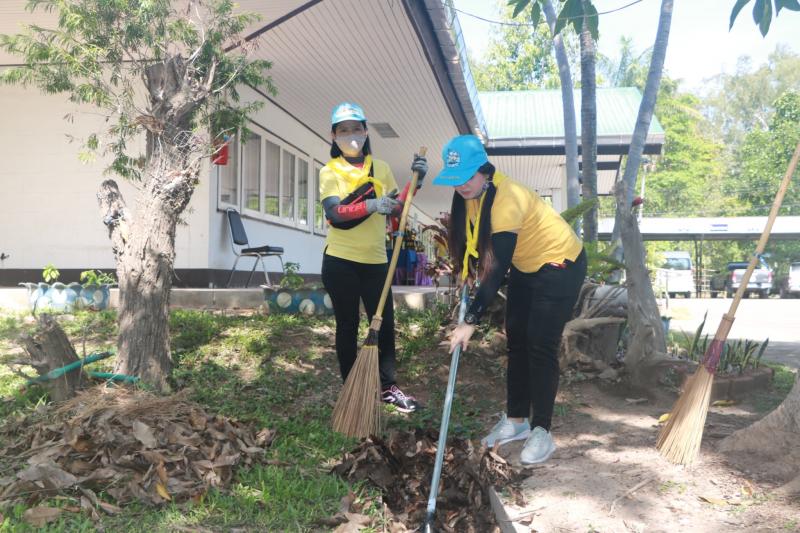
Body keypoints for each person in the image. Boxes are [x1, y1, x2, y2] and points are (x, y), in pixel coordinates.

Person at [432, 134, 586, 464]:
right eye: (455, 179)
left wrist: (469, 322)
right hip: (527, 266)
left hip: (560, 263)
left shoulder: (507, 198)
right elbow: (467, 241)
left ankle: (542, 431)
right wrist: (464, 272)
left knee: (540, 343)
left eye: (466, 177)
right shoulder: (470, 194)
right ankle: (517, 422)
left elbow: (496, 268)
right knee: (516, 339)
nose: (461, 186)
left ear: (484, 170)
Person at [319, 102, 427, 413]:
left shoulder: (380, 168)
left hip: (377, 261)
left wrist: (415, 182)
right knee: (347, 325)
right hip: (340, 261)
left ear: (366, 131)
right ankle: (353, 390)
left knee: (384, 325)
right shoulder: (330, 171)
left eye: (356, 128)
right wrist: (370, 206)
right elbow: (335, 213)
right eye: (343, 130)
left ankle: (388, 387)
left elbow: (397, 207)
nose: (351, 134)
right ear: (334, 135)